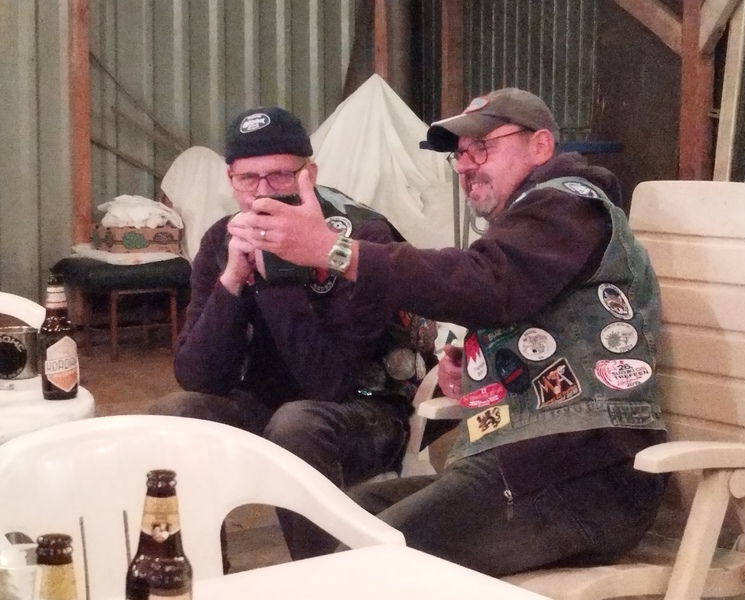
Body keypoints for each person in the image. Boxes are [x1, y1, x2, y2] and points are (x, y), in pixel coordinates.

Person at [236, 87, 668, 576]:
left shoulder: (567, 205)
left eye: (482, 148)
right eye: (459, 155)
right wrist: (479, 373)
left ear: (541, 146)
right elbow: (520, 305)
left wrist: (332, 250)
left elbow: (487, 283)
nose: (464, 166)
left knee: (366, 562)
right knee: (350, 519)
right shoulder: (530, 224)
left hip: (584, 475)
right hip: (526, 461)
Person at [149, 106, 436, 562]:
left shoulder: (359, 237)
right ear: (231, 180)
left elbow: (330, 384)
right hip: (266, 405)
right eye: (249, 178)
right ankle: (197, 576)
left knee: (297, 424)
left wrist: (277, 275)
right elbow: (197, 375)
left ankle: (325, 577)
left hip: (368, 410)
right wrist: (233, 279)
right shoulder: (222, 240)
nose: (263, 192)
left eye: (280, 175)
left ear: (309, 175)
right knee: (176, 415)